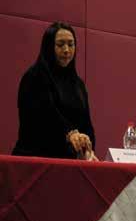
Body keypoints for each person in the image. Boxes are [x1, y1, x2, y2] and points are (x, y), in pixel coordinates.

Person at [12, 22, 97, 160]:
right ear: (49, 47)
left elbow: (86, 123)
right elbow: (44, 117)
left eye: (71, 44)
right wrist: (70, 134)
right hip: (35, 159)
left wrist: (87, 145)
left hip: (68, 161)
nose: (66, 50)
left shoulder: (78, 84)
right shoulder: (34, 77)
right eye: (60, 44)